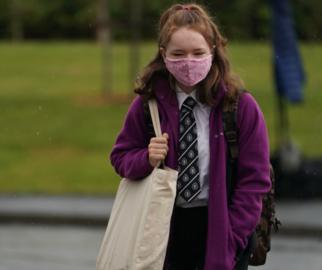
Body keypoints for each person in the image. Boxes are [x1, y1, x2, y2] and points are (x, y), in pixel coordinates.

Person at [109, 3, 271, 270]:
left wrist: (232, 239)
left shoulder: (241, 107)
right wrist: (146, 158)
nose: (189, 62)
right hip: (163, 231)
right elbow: (120, 157)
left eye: (198, 53)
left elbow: (254, 181)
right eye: (178, 53)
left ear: (213, 51)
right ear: (164, 54)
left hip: (219, 226)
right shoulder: (148, 105)